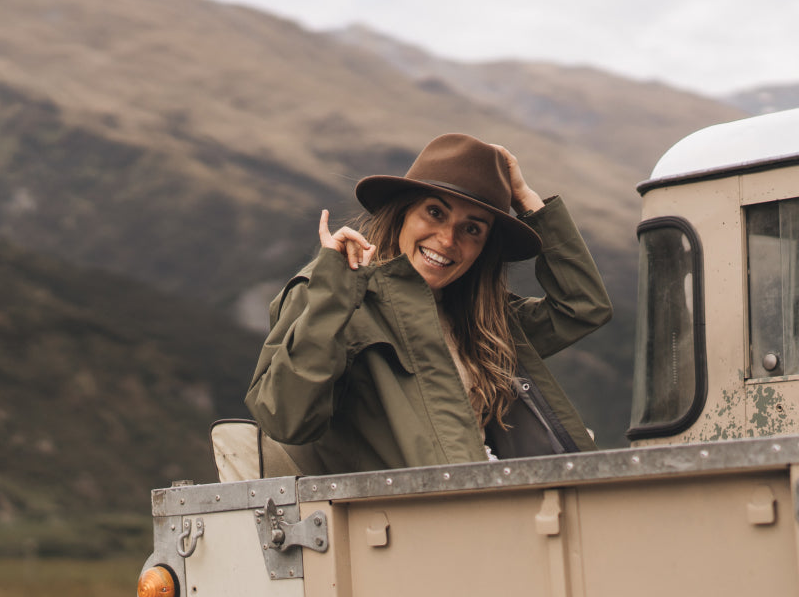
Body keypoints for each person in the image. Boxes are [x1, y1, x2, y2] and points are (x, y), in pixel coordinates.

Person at [245, 133, 612, 473]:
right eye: (435, 212)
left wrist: (527, 200)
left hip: (502, 510)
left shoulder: (484, 321)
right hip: (402, 523)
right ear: (403, 212)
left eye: (472, 229)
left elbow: (582, 307)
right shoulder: (331, 294)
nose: (448, 239)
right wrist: (333, 293)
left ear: (484, 248)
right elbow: (285, 420)